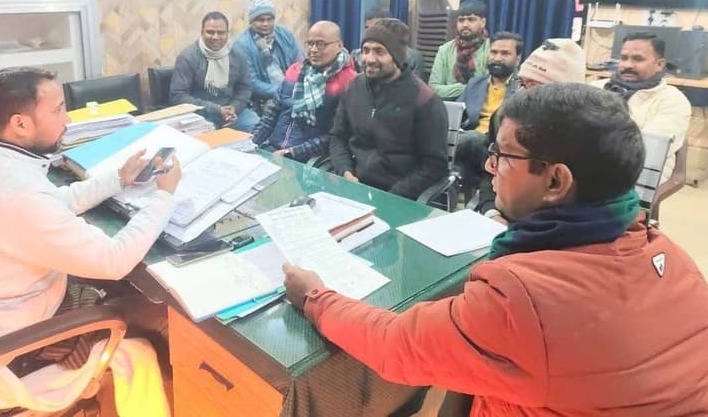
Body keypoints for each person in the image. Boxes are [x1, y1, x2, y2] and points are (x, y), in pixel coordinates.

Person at [284, 83, 708, 415]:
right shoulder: (672, 255)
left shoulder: (522, 300)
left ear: (556, 181)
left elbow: (394, 347)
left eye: (503, 157)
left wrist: (316, 297)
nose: (490, 169)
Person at [0, 68, 181, 416]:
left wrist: (118, 179)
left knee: (130, 294)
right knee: (164, 315)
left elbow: (51, 204)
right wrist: (165, 196)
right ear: (20, 124)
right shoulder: (16, 194)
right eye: (58, 110)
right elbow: (114, 260)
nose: (68, 119)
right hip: (14, 353)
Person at [329, 18, 448, 200]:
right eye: (365, 50)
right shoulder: (354, 87)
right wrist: (345, 172)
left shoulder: (424, 99)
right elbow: (338, 137)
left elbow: (434, 165)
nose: (369, 59)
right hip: (354, 188)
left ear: (397, 57)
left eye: (379, 52)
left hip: (400, 196)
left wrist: (391, 197)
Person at [472, 38, 586, 224]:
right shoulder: (504, 119)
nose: (521, 94)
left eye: (533, 86)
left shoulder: (586, 137)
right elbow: (490, 175)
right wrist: (492, 213)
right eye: (521, 83)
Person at [251, 21, 357, 162]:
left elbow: (336, 135)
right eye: (310, 43)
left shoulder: (349, 82)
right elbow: (271, 115)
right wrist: (250, 143)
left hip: (309, 159)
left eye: (321, 44)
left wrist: (292, 152)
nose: (313, 50)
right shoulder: (295, 71)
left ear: (339, 45)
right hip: (274, 150)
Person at [592, 31, 691, 179]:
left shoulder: (672, 100)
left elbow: (644, 152)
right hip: (590, 171)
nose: (627, 65)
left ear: (659, 65)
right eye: (623, 58)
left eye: (638, 59)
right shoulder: (596, 88)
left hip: (638, 178)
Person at [170, 11, 259, 132]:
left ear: (227, 34)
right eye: (210, 32)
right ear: (202, 32)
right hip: (202, 115)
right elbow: (178, 96)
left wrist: (234, 108)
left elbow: (245, 88)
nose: (215, 37)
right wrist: (216, 110)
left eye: (221, 33)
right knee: (209, 137)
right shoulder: (188, 57)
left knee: (259, 129)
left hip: (233, 113)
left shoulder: (238, 55)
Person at [451, 32, 523, 173]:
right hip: (469, 143)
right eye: (494, 52)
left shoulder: (522, 88)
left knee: (474, 139)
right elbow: (455, 114)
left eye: (505, 54)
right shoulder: (475, 83)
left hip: (498, 144)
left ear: (518, 59)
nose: (497, 58)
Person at [232, 0, 302, 109]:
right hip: (261, 101)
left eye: (270, 19)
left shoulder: (285, 35)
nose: (266, 24)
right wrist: (285, 91)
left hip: (292, 91)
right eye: (261, 20)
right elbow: (252, 84)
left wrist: (296, 87)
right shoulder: (241, 45)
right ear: (252, 21)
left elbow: (300, 64)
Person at [428, 0, 490, 100]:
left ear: (483, 22)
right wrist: (468, 88)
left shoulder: (492, 49)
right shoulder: (445, 50)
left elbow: (490, 87)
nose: (465, 24)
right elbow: (433, 89)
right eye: (461, 20)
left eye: (471, 20)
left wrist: (450, 90)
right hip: (449, 105)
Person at [351, 7, 426, 80]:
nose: (372, 32)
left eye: (376, 27)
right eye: (367, 28)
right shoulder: (356, 56)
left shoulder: (413, 58)